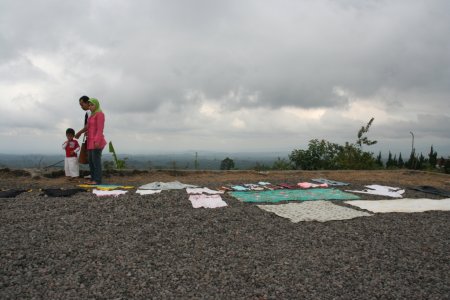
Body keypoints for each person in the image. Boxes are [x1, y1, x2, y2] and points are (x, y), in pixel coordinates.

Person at [86, 98, 107, 184]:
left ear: (96, 105)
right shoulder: (92, 115)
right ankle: (93, 179)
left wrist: (97, 141)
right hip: (90, 142)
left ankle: (97, 180)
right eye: (89, 105)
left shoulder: (100, 114)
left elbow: (100, 129)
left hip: (97, 142)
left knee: (96, 161)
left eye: (92, 105)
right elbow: (91, 127)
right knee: (91, 161)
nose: (90, 107)